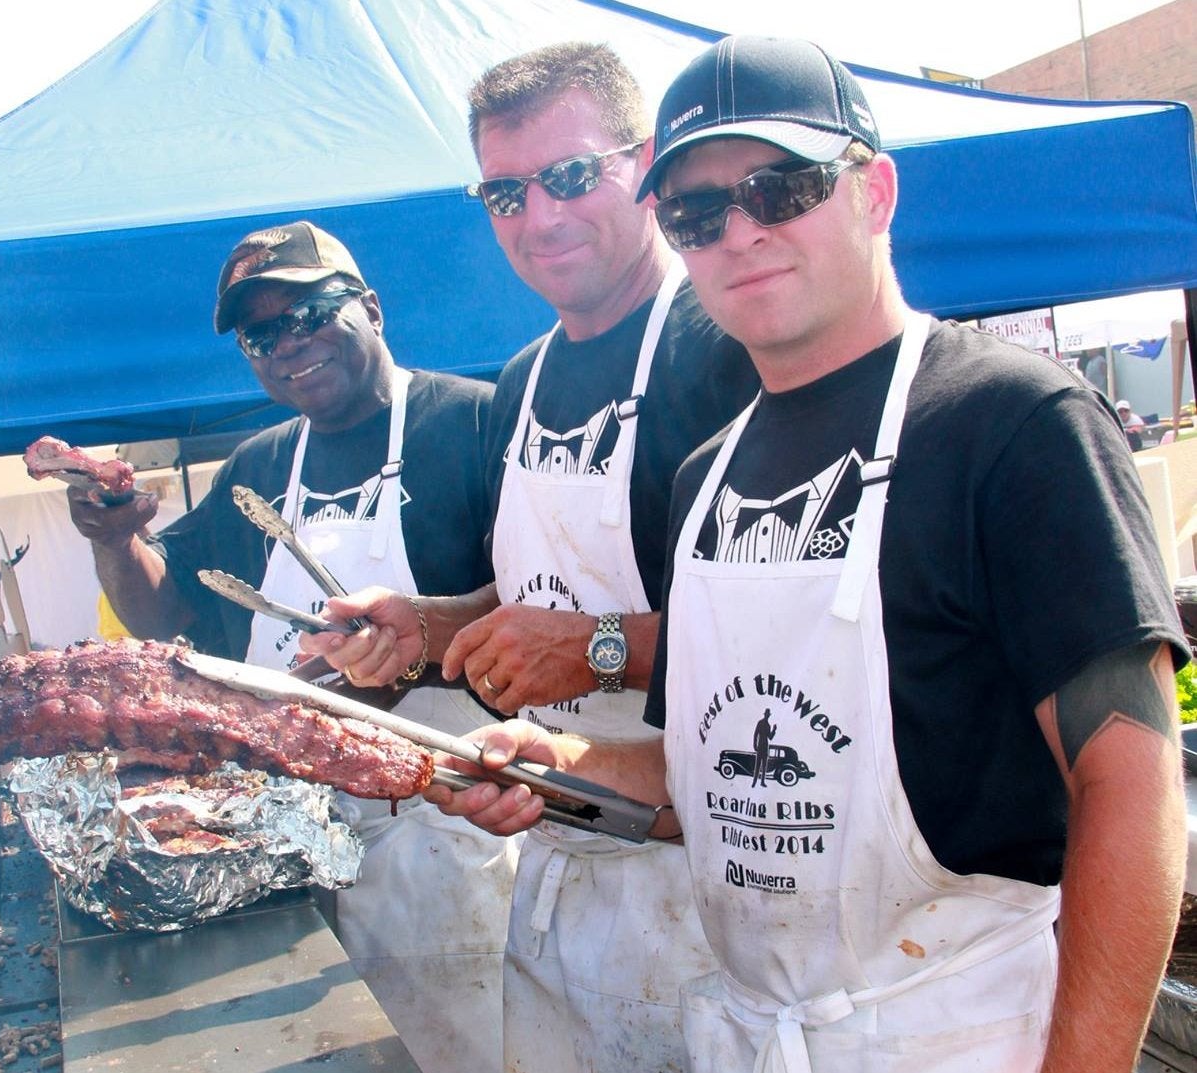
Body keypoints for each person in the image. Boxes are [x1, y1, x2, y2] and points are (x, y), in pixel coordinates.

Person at [421, 35, 1190, 1073]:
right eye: (697, 212)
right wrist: (566, 767)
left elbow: (1131, 785)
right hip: (746, 1032)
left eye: (781, 188)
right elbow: (716, 784)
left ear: (874, 190)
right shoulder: (707, 477)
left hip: (957, 1031)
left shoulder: (1011, 422)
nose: (739, 231)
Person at [300, 41, 760, 1073]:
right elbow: (532, 590)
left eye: (569, 176)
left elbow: (800, 635)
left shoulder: (726, 348)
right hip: (555, 851)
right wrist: (427, 625)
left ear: (643, 166)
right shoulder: (520, 382)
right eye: (505, 191)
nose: (539, 217)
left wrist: (597, 651)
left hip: (713, 878)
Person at [64, 220, 516, 1073]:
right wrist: (116, 541)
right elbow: (169, 619)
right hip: (286, 839)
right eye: (260, 334)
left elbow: (544, 598)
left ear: (370, 307)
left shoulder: (473, 421)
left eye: (309, 312)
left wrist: (419, 632)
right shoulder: (259, 465)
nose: (288, 344)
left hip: (447, 838)